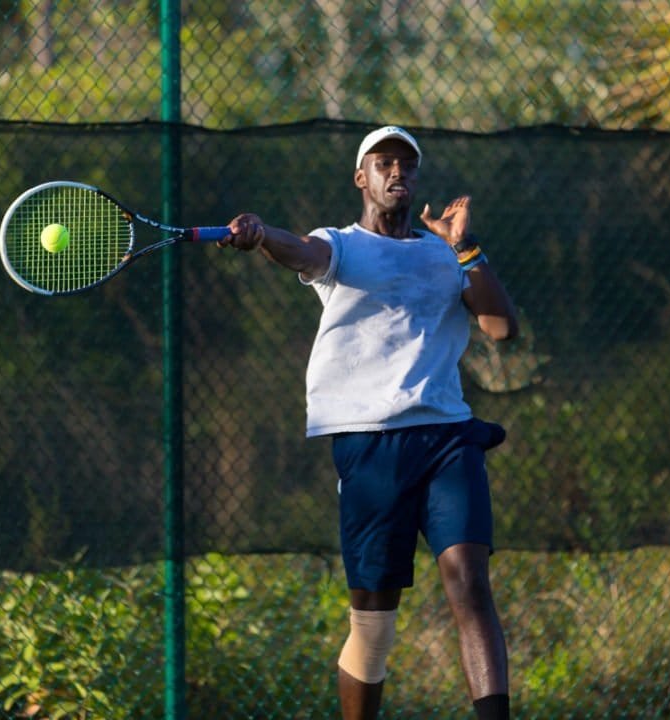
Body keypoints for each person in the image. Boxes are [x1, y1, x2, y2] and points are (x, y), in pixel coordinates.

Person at [218, 125, 517, 720]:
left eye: (407, 164)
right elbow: (301, 251)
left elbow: (501, 327)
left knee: (470, 583)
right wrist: (261, 234)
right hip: (369, 445)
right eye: (383, 163)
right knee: (374, 623)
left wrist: (467, 246)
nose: (397, 171)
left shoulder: (446, 252)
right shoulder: (341, 246)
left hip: (447, 438)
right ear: (362, 177)